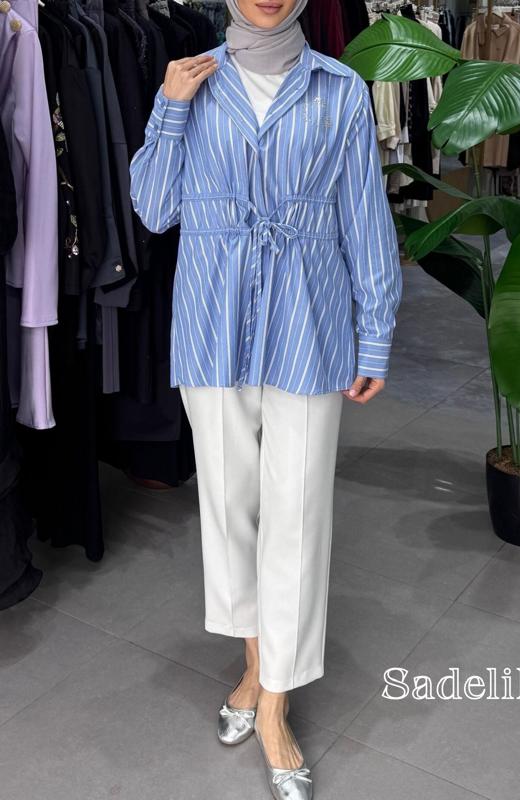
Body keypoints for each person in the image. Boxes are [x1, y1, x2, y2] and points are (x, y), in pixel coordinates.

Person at [128, 1, 401, 798]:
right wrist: (169, 108)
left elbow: (364, 217)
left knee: (298, 516)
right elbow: (153, 208)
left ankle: (274, 703)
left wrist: (375, 333)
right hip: (211, 324)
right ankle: (253, 666)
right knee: (229, 509)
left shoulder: (338, 89)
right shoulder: (190, 82)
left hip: (310, 326)